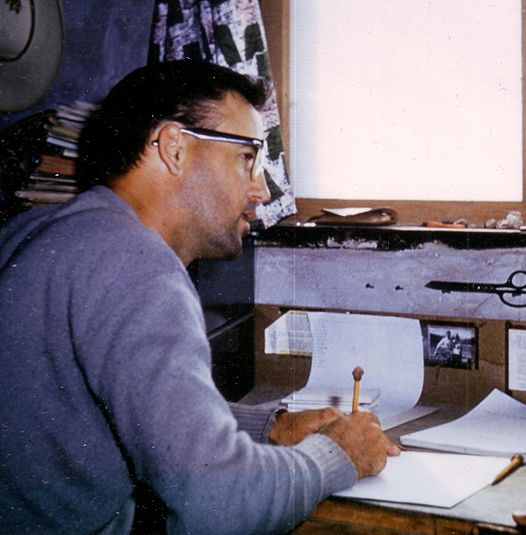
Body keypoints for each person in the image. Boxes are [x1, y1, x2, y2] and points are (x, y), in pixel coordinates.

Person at [0, 60, 400, 534]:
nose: (262, 190)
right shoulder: (137, 264)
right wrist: (338, 456)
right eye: (247, 158)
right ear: (174, 148)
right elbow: (219, 503)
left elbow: (115, 403)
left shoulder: (40, 230)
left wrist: (267, 426)